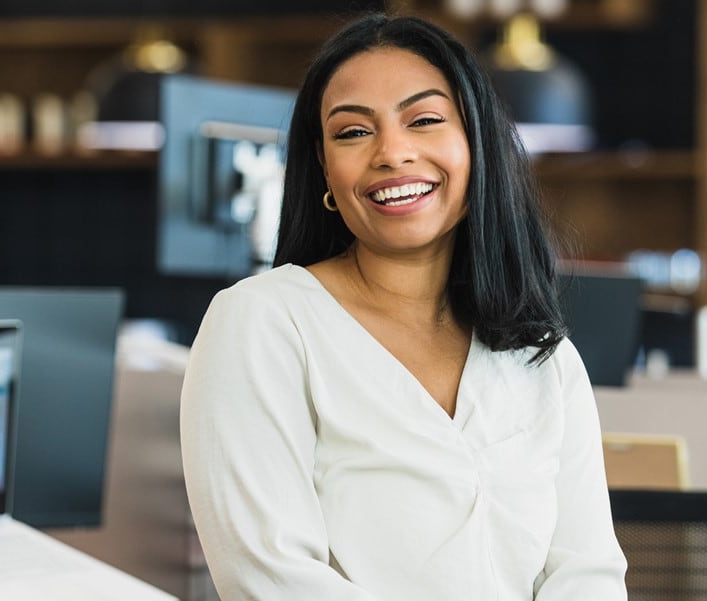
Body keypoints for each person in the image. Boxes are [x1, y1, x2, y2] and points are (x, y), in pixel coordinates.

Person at [180, 13, 627, 600]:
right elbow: (273, 578)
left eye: (424, 120)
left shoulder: (544, 357)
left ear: (477, 147)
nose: (392, 152)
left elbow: (587, 576)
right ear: (324, 169)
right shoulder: (265, 322)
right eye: (353, 132)